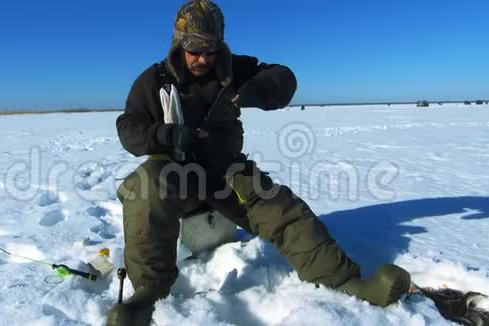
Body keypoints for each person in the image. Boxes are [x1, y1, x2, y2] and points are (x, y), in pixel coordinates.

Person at [108, 1, 410, 325]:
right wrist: (169, 135)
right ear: (179, 42)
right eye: (195, 49)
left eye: (211, 50)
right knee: (146, 187)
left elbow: (284, 78)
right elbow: (128, 128)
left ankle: (346, 281)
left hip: (227, 171)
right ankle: (146, 296)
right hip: (177, 173)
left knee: (281, 208)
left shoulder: (233, 68)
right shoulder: (154, 81)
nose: (203, 59)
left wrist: (260, 88)